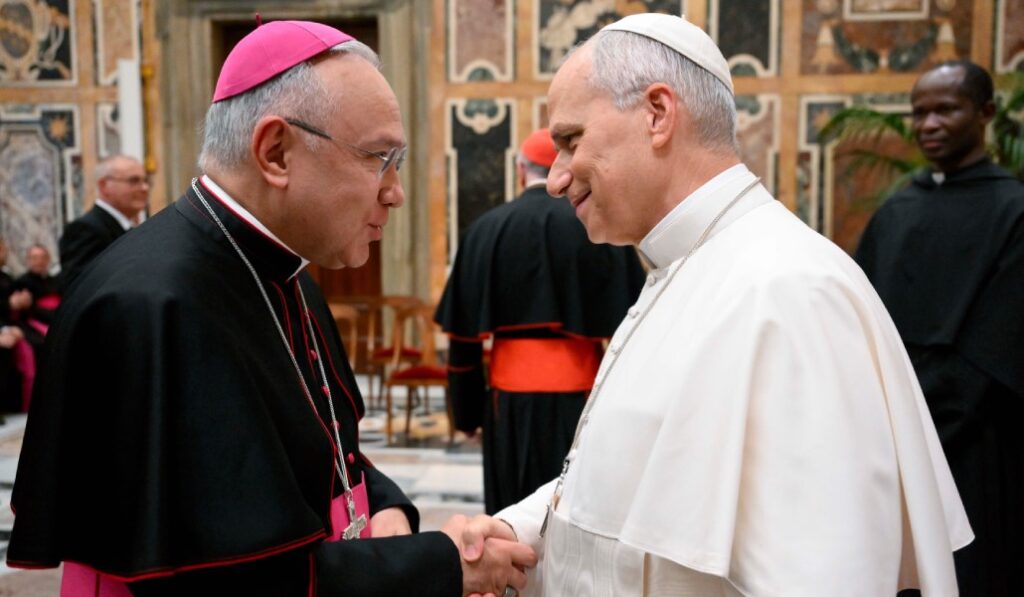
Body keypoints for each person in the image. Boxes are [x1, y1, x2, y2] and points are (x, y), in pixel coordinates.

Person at [7, 20, 535, 596]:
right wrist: (440, 565)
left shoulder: (289, 271)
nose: (395, 191)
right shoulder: (155, 307)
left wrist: (386, 507)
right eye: (379, 158)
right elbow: (234, 581)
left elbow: (329, 449)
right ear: (276, 151)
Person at [473, 13, 972, 595]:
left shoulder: (791, 294)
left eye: (571, 141)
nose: (555, 180)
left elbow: (826, 576)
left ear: (657, 114)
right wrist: (516, 531)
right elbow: (621, 488)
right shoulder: (685, 267)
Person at [855, 60, 1024, 597]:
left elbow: (1002, 339)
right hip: (891, 443)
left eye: (945, 110)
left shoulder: (1015, 210)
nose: (928, 124)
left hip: (979, 442)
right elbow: (863, 319)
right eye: (919, 112)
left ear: (985, 113)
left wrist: (920, 422)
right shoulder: (896, 212)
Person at [435, 128, 644, 514]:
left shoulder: (485, 230)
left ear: (520, 170)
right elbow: (636, 333)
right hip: (583, 402)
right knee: (576, 510)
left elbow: (462, 341)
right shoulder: (600, 230)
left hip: (507, 405)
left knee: (512, 514)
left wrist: (466, 415)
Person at [59, 154, 150, 292]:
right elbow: (80, 290)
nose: (144, 188)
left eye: (145, 181)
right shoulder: (86, 229)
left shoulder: (127, 227)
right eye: (134, 181)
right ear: (104, 186)